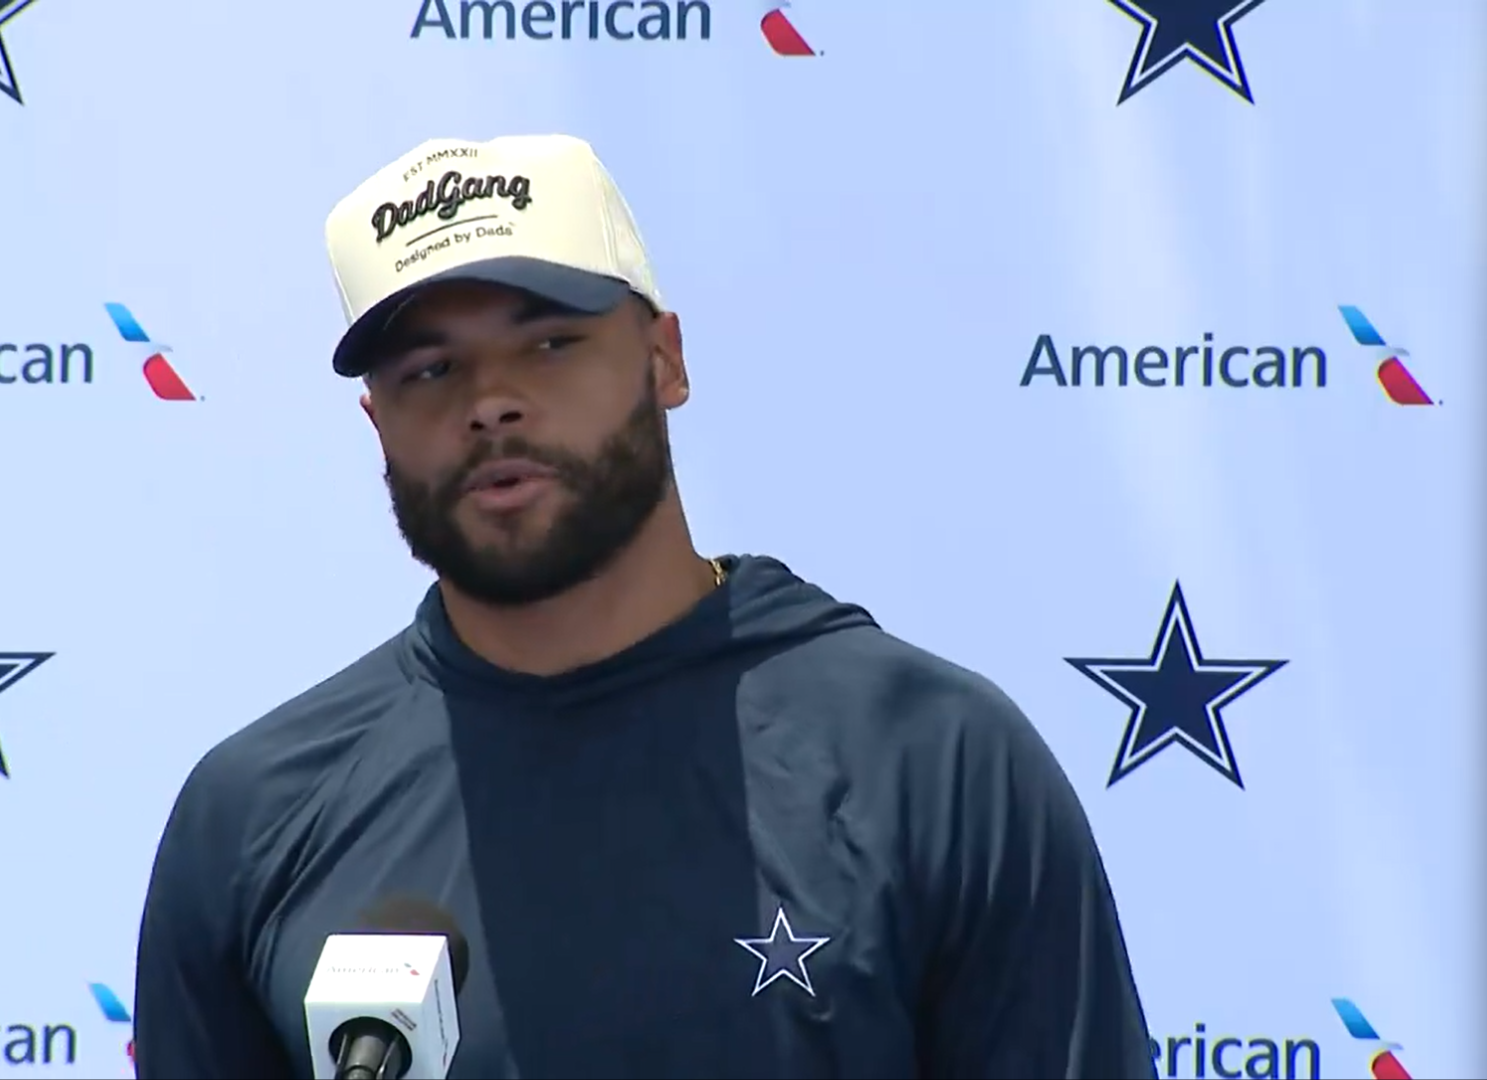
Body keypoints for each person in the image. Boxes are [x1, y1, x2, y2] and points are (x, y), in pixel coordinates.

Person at [132, 133, 1158, 1080]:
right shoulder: (255, 818)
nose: (489, 401)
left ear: (665, 357)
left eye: (549, 345)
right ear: (377, 423)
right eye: (429, 369)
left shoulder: (930, 760)